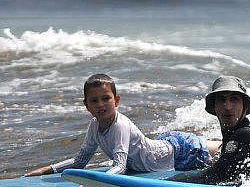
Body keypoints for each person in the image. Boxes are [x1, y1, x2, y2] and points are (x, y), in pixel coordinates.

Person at [25, 74, 217, 177]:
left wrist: (100, 182)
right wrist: (46, 170)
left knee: (225, 149)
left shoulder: (120, 125)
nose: (101, 104)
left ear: (116, 100)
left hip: (180, 152)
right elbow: (80, 162)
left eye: (106, 98)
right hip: (161, 147)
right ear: (86, 105)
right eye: (94, 100)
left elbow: (120, 166)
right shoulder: (94, 126)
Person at [168, 75, 250, 185]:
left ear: (245, 106)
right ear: (214, 106)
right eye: (222, 100)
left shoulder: (246, 134)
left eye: (234, 99)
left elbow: (217, 176)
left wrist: (170, 182)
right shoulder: (233, 133)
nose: (227, 107)